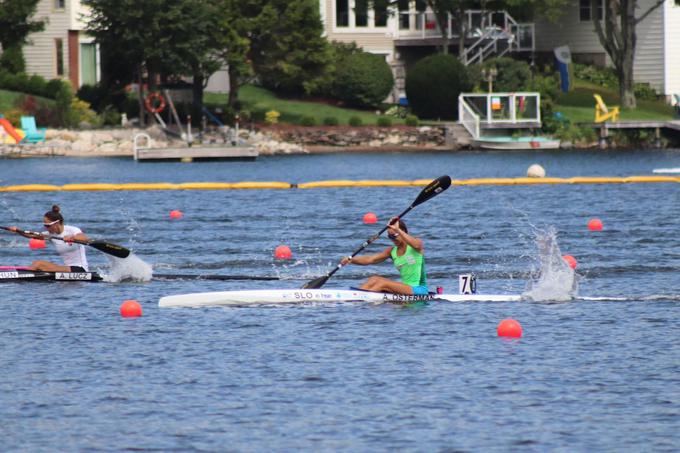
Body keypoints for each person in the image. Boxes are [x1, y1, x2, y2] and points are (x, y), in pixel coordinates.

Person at [341, 218, 427, 295]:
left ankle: (363, 299)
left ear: (403, 232)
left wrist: (398, 229)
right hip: (405, 288)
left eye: (394, 235)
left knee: (382, 283)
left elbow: (417, 245)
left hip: (419, 290)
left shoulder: (415, 246)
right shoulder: (391, 251)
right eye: (390, 237)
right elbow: (370, 259)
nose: (392, 239)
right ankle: (356, 295)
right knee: (374, 279)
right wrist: (351, 260)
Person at [9, 205, 90, 272]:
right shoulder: (50, 235)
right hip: (68, 269)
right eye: (45, 225)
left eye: (48, 225)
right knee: (36, 264)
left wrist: (72, 237)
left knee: (39, 264)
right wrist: (17, 231)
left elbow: (84, 238)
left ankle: (22, 278)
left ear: (57, 223)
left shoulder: (72, 230)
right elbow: (31, 235)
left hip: (80, 269)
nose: (46, 228)